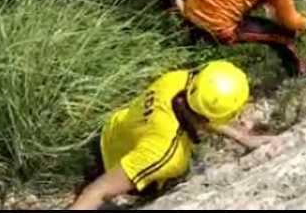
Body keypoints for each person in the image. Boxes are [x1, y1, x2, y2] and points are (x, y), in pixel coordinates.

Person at [69, 61, 274, 210]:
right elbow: (97, 190)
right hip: (115, 166)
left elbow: (198, 113)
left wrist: (243, 138)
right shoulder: (168, 155)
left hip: (112, 132)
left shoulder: (177, 81)